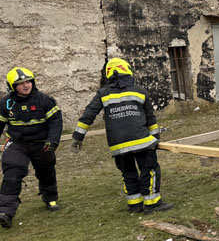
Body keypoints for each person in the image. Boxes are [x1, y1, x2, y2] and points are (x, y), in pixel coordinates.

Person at [71, 58, 173, 214]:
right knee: (149, 169)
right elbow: (150, 117)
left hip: (118, 145)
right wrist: (155, 138)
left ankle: (135, 204)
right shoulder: (139, 90)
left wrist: (78, 136)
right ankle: (152, 203)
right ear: (128, 70)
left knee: (128, 172)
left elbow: (88, 114)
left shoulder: (103, 93)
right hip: (142, 141)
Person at [0, 67, 63, 228]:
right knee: (12, 172)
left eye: (28, 82)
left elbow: (55, 121)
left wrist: (52, 141)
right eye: (20, 83)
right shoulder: (6, 103)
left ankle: (50, 198)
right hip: (17, 143)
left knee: (46, 171)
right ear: (12, 86)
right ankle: (6, 212)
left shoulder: (45, 100)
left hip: (42, 143)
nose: (26, 85)